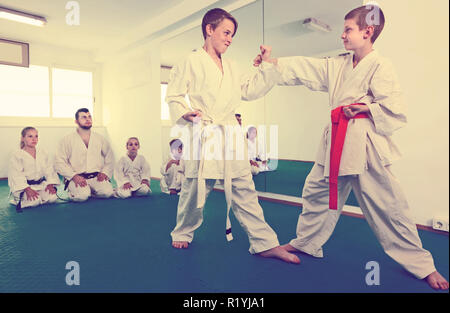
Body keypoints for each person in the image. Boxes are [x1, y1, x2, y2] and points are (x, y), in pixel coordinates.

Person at [253, 5, 448, 290]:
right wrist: (272, 63)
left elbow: (395, 108)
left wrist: (366, 108)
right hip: (334, 141)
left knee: (388, 206)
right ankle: (307, 243)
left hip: (364, 145)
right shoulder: (338, 64)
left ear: (367, 32)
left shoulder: (381, 66)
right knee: (316, 193)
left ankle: (423, 266)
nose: (342, 35)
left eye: (348, 29)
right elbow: (305, 68)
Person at [166, 8, 299, 264]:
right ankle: (183, 231)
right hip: (203, 130)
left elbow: (249, 90)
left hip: (230, 132)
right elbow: (173, 96)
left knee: (244, 188)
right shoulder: (190, 61)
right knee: (195, 188)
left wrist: (265, 67)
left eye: (232, 35)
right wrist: (186, 113)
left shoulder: (233, 66)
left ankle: (264, 243)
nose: (229, 39)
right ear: (209, 29)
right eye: (226, 32)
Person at [55, 108, 114, 202]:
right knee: (82, 196)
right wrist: (73, 176)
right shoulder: (67, 140)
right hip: (77, 177)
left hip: (95, 176)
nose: (88, 119)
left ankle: (92, 190)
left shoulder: (99, 138)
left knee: (108, 192)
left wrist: (105, 172)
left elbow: (110, 156)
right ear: (76, 121)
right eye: (83, 117)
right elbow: (59, 162)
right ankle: (75, 191)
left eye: (89, 116)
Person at [8, 127, 59, 212]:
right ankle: (18, 199)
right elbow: (16, 175)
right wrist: (27, 189)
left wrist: (50, 184)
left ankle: (39, 197)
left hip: (40, 184)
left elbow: (49, 169)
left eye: (36, 136)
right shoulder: (17, 155)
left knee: (53, 198)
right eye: (30, 136)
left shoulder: (43, 152)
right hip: (24, 187)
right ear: (22, 138)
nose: (34, 139)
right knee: (34, 201)